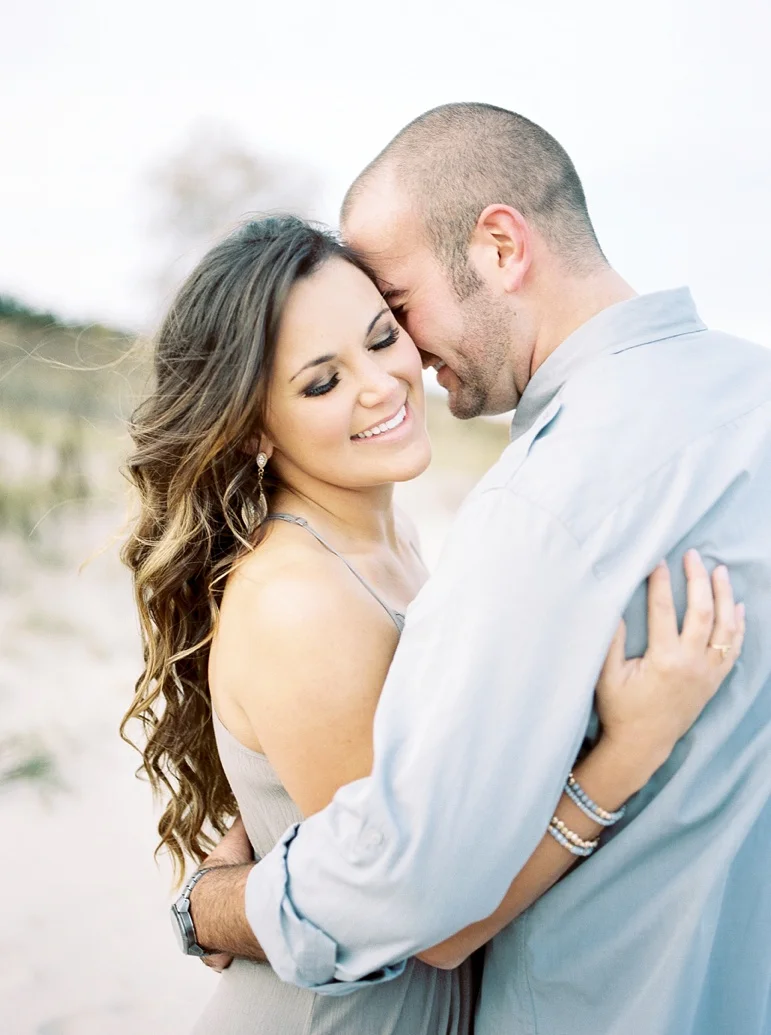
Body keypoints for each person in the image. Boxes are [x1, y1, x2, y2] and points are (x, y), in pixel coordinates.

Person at [136, 100, 770, 1034]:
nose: (391, 375)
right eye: (319, 380)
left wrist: (222, 898)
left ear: (501, 248)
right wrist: (623, 752)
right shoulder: (741, 399)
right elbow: (416, 904)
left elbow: (400, 870)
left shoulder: (514, 517)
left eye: (388, 324)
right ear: (253, 426)